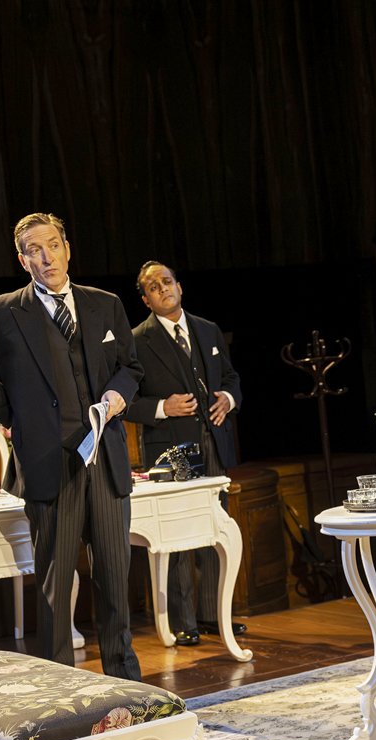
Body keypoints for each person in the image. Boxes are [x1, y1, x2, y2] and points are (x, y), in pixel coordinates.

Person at [0, 212, 144, 681]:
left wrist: (117, 396)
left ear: (67, 248)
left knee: (115, 577)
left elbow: (130, 367)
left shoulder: (105, 304)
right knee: (56, 583)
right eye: (35, 249)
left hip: (106, 461)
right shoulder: (2, 311)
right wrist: (16, 410)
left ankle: (126, 683)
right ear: (22, 259)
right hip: (49, 464)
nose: (46, 256)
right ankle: (59, 685)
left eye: (52, 245)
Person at [125, 260, 245, 643]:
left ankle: (212, 614)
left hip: (212, 443)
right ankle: (183, 622)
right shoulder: (136, 340)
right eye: (153, 286)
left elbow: (230, 378)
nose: (163, 288)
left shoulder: (206, 329)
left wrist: (227, 398)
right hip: (168, 450)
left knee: (213, 530)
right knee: (175, 537)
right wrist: (163, 408)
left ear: (180, 286)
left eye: (167, 281)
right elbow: (124, 401)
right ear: (146, 299)